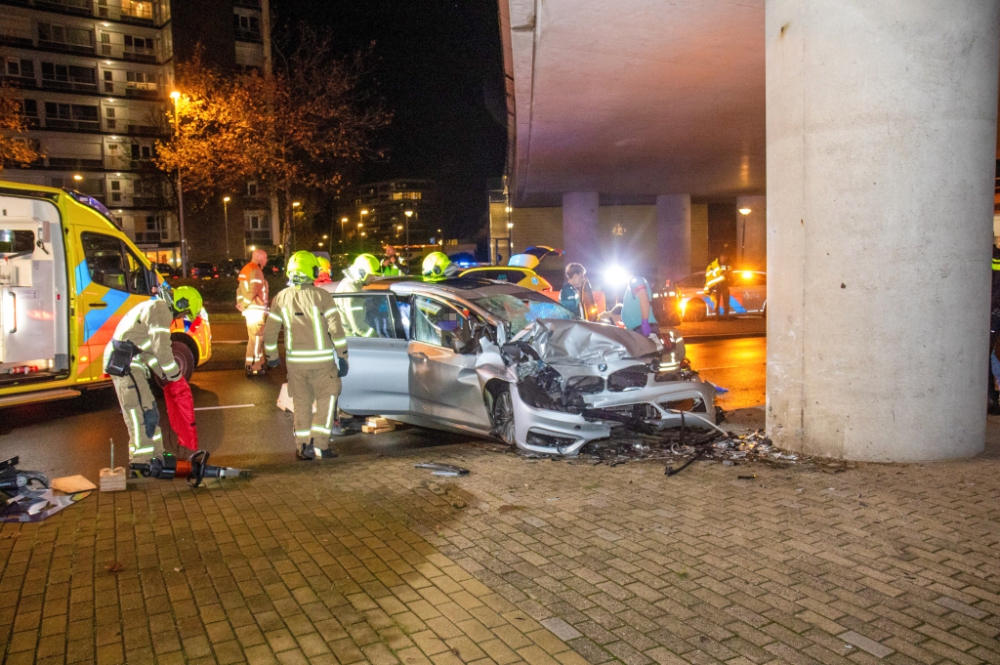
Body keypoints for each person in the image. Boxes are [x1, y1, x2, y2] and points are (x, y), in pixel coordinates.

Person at [264, 251, 350, 460]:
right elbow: (336, 330)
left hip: (296, 365)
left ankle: (304, 447)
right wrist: (343, 356)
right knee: (327, 402)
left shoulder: (281, 298)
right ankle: (321, 445)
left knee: (301, 405)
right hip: (323, 364)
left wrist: (271, 356)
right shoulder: (323, 296)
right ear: (311, 271)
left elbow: (270, 331)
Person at [104, 283, 202, 463]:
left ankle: (156, 455)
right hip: (125, 363)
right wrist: (174, 376)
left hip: (129, 361)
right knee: (139, 414)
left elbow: (150, 350)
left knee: (150, 411)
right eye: (185, 312)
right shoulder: (160, 310)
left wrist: (164, 374)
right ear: (181, 303)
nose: (182, 317)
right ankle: (141, 462)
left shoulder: (155, 308)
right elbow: (162, 349)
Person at [236, 249, 269, 376]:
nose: (266, 260)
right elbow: (254, 290)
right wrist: (244, 305)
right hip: (255, 310)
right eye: (265, 257)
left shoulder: (246, 269)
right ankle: (253, 366)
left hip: (250, 310)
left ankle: (260, 362)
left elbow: (239, 290)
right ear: (259, 258)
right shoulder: (256, 270)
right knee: (257, 339)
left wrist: (240, 304)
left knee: (254, 338)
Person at [336, 254, 380, 336]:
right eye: (371, 275)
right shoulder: (353, 291)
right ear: (362, 273)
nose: (374, 278)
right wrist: (378, 338)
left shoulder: (347, 283)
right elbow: (359, 327)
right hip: (351, 339)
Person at [706, 253, 732, 319]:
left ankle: (726, 316)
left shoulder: (728, 265)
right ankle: (717, 316)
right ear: (720, 257)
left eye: (725, 256)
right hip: (717, 286)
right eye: (723, 256)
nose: (724, 258)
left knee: (726, 302)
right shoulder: (715, 265)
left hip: (725, 286)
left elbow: (731, 274)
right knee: (717, 303)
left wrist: (728, 274)